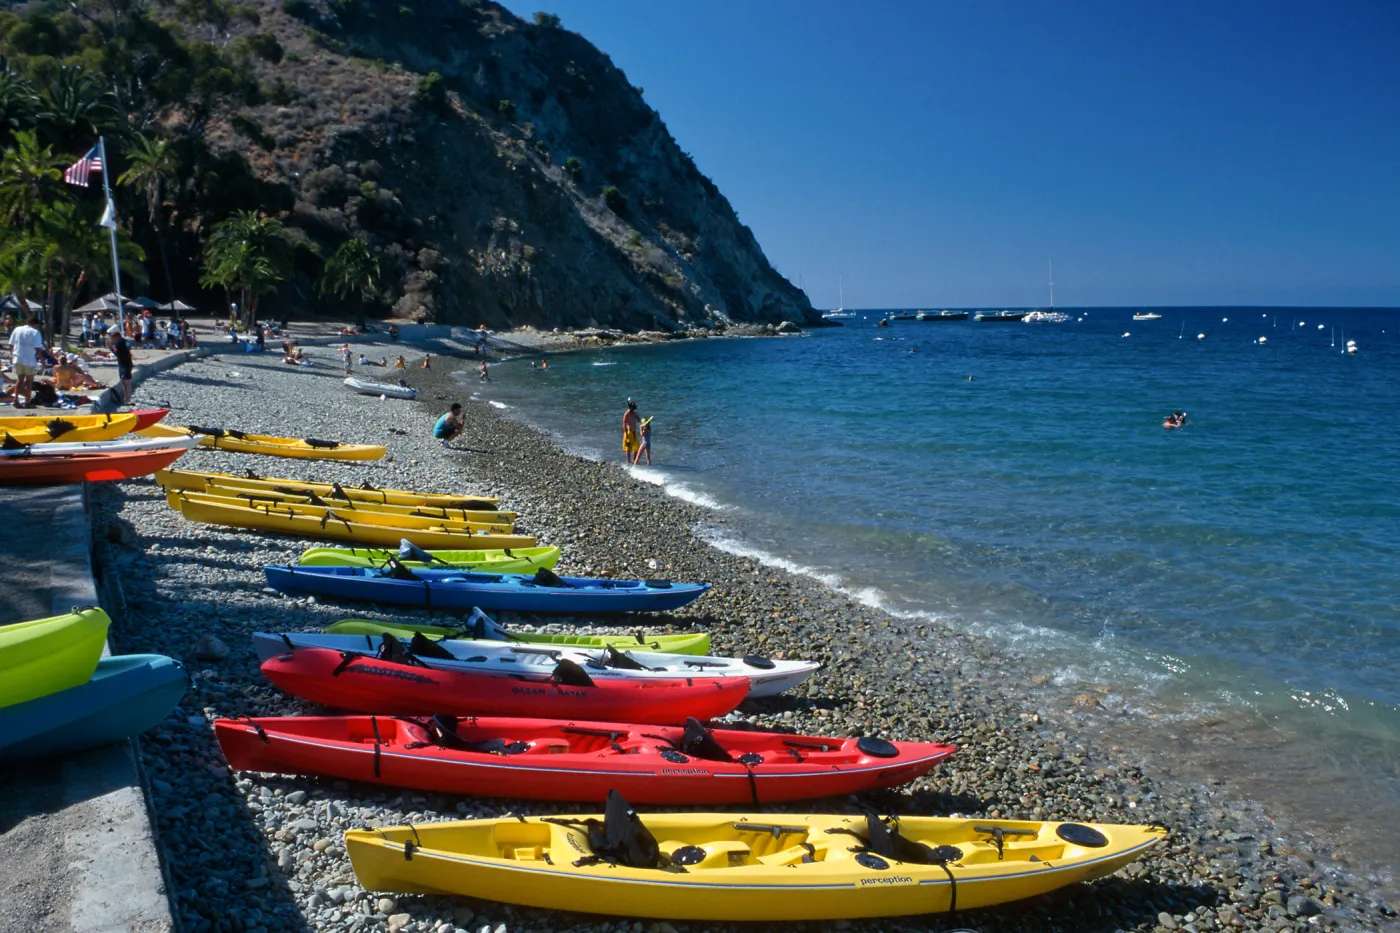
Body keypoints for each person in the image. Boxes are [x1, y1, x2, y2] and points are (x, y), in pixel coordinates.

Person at [7, 313, 45, 408]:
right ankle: (27, 402)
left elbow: (11, 344)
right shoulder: (35, 332)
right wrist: (43, 361)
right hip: (29, 360)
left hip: (17, 358)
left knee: (19, 380)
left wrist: (11, 355)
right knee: (29, 381)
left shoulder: (17, 329)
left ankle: (16, 400)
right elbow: (38, 349)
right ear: (35, 324)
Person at [108, 324, 133, 404]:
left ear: (116, 337)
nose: (112, 340)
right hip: (124, 363)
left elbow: (117, 353)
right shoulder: (123, 341)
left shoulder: (119, 343)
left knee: (126, 381)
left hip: (125, 363)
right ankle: (126, 397)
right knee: (123, 381)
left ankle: (128, 398)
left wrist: (110, 347)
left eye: (113, 338)